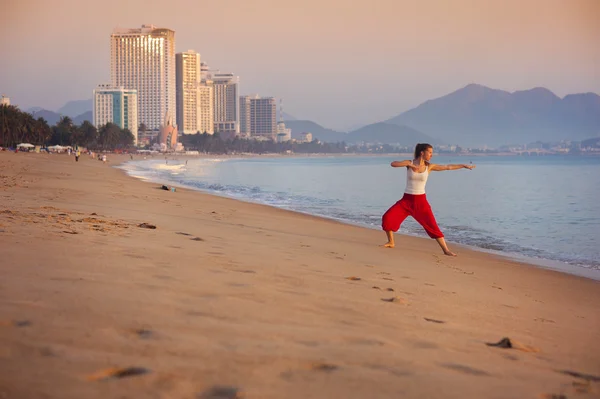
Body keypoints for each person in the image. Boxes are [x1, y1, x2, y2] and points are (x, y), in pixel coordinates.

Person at [381, 143, 475, 256]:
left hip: (421, 202)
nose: (431, 155)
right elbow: (393, 164)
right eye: (430, 152)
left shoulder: (429, 167)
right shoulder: (409, 163)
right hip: (406, 200)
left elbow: (448, 167)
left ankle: (446, 250)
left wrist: (463, 166)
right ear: (422, 152)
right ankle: (391, 241)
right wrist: (410, 166)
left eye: (431, 153)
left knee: (432, 225)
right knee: (387, 217)